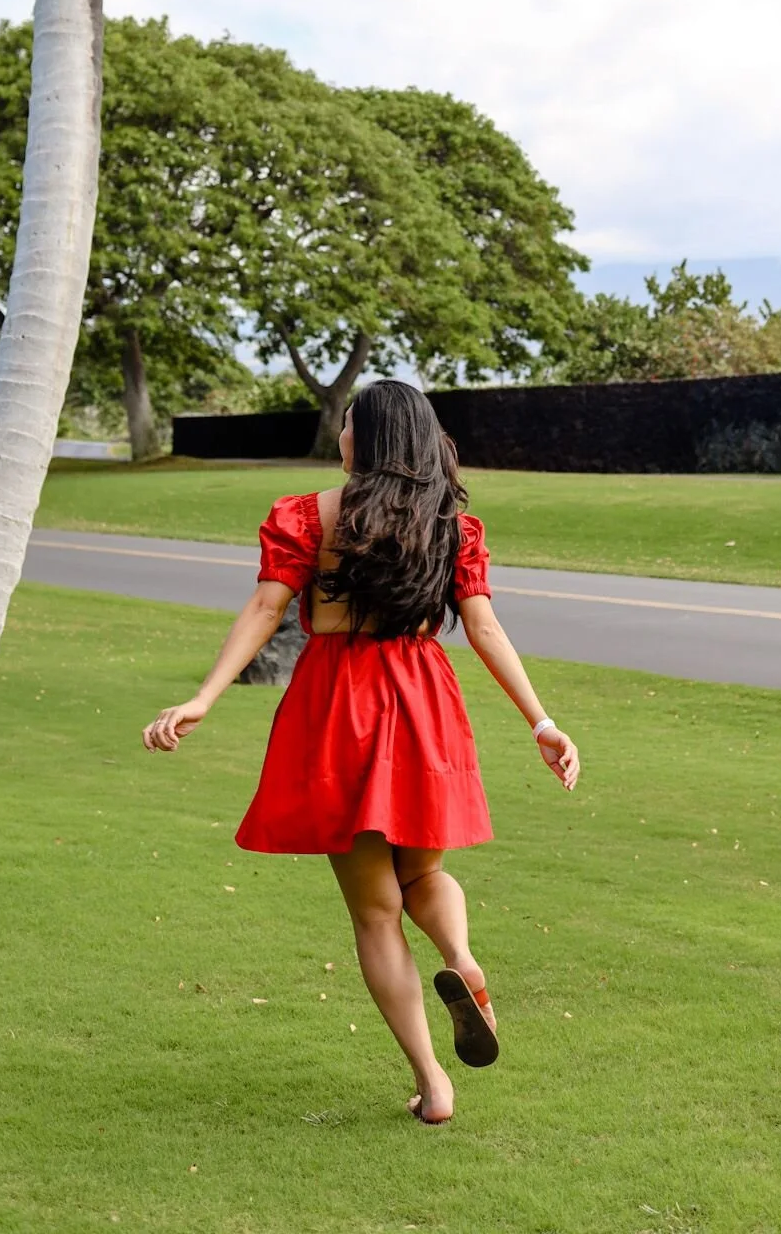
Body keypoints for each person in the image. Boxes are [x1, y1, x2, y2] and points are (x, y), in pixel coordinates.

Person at [142, 379, 580, 1125]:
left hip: (338, 706)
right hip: (422, 701)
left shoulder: (306, 516)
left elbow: (266, 607)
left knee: (377, 913)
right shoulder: (450, 524)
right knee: (424, 873)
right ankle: (461, 957)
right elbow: (483, 628)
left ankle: (434, 1085)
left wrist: (203, 698)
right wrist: (541, 721)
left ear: (368, 437)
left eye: (348, 422)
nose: (341, 433)